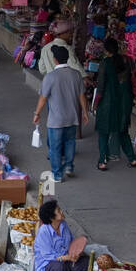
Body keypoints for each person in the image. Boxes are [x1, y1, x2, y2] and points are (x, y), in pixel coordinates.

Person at [33, 44, 88, 183]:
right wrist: (85, 113)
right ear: (67, 59)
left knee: (55, 147)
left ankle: (57, 174)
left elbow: (43, 98)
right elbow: (82, 96)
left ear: (55, 59)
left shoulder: (50, 77)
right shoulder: (76, 75)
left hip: (56, 120)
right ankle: (69, 166)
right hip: (72, 117)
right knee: (70, 142)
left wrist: (37, 113)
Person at [93, 38, 136, 170]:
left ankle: (102, 161)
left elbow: (100, 87)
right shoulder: (127, 60)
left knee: (103, 131)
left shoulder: (105, 63)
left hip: (108, 102)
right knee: (123, 131)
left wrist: (95, 103)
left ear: (106, 50)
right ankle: (132, 158)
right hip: (124, 101)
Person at [33, 200, 89, 271]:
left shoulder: (63, 225)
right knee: (58, 266)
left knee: (85, 261)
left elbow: (70, 242)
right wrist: (66, 258)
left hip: (66, 258)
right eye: (58, 211)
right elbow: (49, 256)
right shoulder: (44, 232)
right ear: (52, 218)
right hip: (50, 263)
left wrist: (76, 254)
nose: (62, 211)